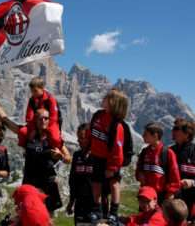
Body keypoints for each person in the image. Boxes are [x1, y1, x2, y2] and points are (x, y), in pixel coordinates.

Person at [0, 85, 71, 213]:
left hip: (48, 184)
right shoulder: (28, 135)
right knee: (27, 216)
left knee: (47, 218)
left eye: (46, 118)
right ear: (35, 120)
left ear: (50, 120)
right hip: (30, 182)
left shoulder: (53, 139)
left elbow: (68, 159)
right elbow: (5, 121)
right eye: (40, 118)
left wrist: (60, 156)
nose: (43, 120)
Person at [89, 89, 128, 225]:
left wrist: (112, 167)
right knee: (96, 183)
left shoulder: (117, 124)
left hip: (109, 160)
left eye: (106, 97)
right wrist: (89, 148)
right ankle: (97, 210)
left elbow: (117, 149)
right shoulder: (98, 115)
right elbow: (91, 133)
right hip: (96, 156)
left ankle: (113, 213)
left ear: (113, 103)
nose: (103, 98)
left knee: (114, 184)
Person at [136, 122, 181, 204]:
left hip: (161, 196)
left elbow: (175, 176)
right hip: (145, 194)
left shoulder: (168, 153)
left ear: (155, 136)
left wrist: (170, 193)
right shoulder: (144, 152)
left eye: (146, 134)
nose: (143, 136)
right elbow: (139, 170)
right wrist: (139, 174)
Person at [67, 123, 94, 224]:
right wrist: (71, 201)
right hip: (80, 204)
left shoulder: (98, 156)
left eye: (81, 138)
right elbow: (72, 180)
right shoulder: (77, 155)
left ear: (89, 138)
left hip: (95, 204)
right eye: (78, 137)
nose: (78, 141)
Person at [25, 77, 62, 148]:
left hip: (50, 124)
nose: (33, 93)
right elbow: (29, 117)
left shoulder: (50, 99)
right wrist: (34, 128)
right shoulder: (32, 100)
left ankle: (56, 151)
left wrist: (45, 129)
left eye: (35, 91)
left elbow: (54, 118)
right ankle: (27, 150)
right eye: (32, 91)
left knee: (55, 139)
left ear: (42, 88)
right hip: (36, 124)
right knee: (23, 132)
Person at [170, 118, 195, 222]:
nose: (172, 131)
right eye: (173, 128)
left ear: (187, 134)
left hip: (190, 202)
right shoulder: (169, 151)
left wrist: (193, 182)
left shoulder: (194, 151)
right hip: (171, 201)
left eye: (176, 129)